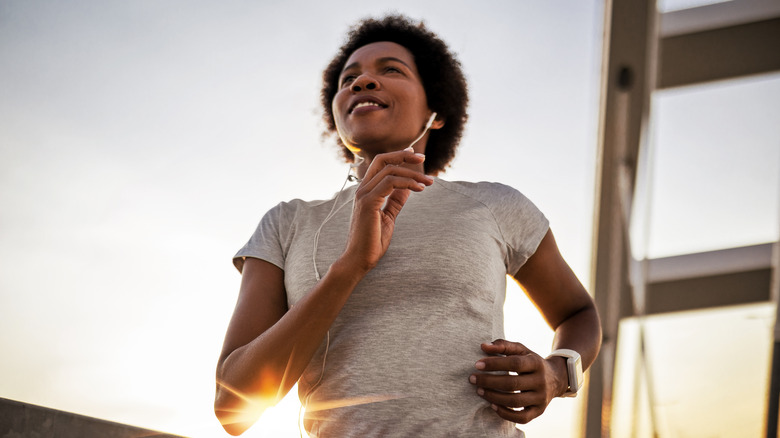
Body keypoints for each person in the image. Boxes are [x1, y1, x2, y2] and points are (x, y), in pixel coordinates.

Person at [214, 15, 601, 438]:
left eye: (390, 70)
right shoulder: (287, 223)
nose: (361, 83)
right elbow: (233, 408)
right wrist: (350, 267)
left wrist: (557, 373)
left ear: (436, 112)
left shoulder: (494, 205)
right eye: (349, 78)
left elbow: (579, 312)